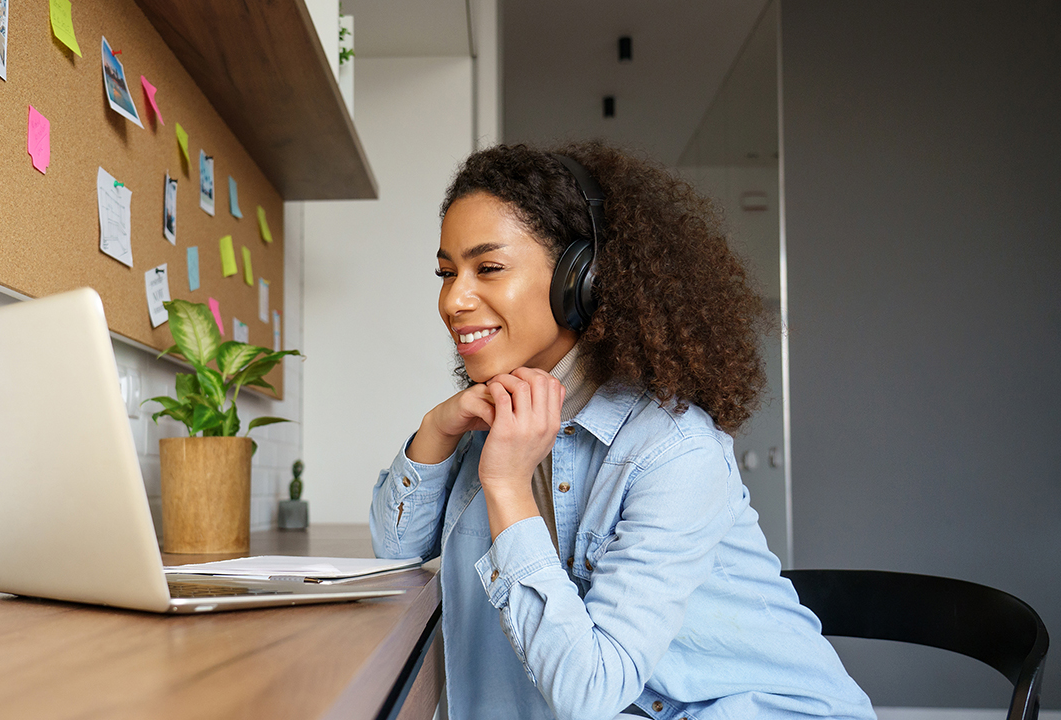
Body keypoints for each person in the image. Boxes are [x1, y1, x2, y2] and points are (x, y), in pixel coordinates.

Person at [369, 142, 874, 720]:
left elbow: (590, 692)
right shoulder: (497, 418)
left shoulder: (673, 449)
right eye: (446, 273)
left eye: (488, 268)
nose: (453, 300)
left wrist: (507, 488)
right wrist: (436, 430)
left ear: (579, 279)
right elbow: (396, 557)